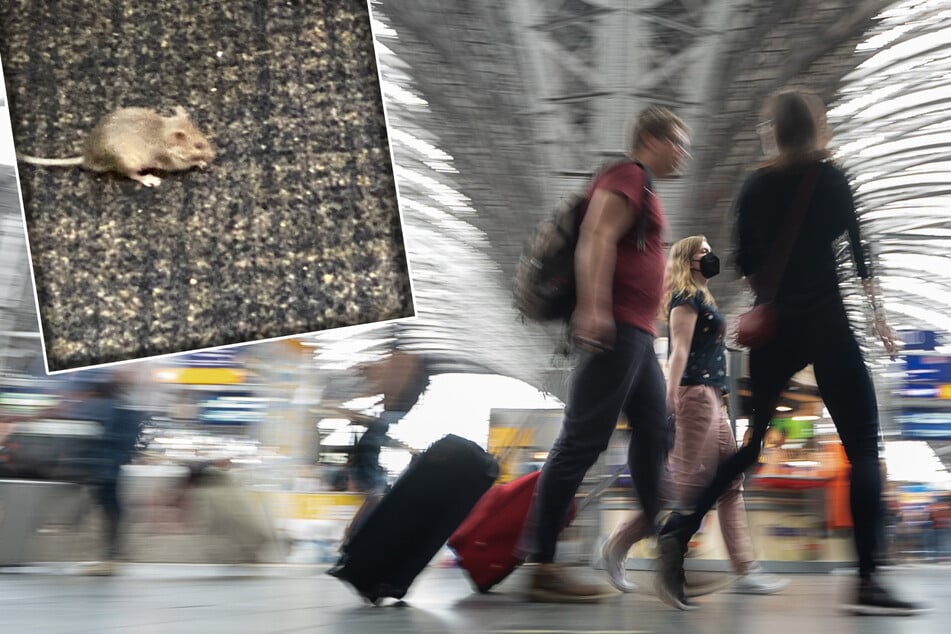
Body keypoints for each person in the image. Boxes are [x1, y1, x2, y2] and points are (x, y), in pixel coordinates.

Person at [655, 89, 927, 615]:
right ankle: (869, 582)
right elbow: (860, 252)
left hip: (775, 327)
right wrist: (879, 320)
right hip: (828, 323)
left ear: (775, 132)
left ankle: (678, 531)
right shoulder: (833, 178)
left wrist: (771, 300)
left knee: (753, 446)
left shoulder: (756, 185)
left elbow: (741, 261)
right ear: (817, 129)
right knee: (865, 449)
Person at [518, 105, 691, 602]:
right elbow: (596, 235)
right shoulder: (627, 175)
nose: (684, 153)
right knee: (581, 442)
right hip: (613, 329)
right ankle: (542, 565)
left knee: (655, 433)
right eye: (678, 141)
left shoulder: (644, 184)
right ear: (651, 140)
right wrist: (593, 307)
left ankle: (667, 556)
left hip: (635, 334)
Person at [601, 236, 787, 601]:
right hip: (695, 395)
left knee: (731, 482)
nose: (710, 254)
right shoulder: (685, 299)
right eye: (703, 251)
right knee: (683, 489)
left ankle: (746, 568)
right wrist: (669, 395)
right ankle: (617, 545)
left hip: (715, 398)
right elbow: (680, 348)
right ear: (687, 260)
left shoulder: (704, 298)